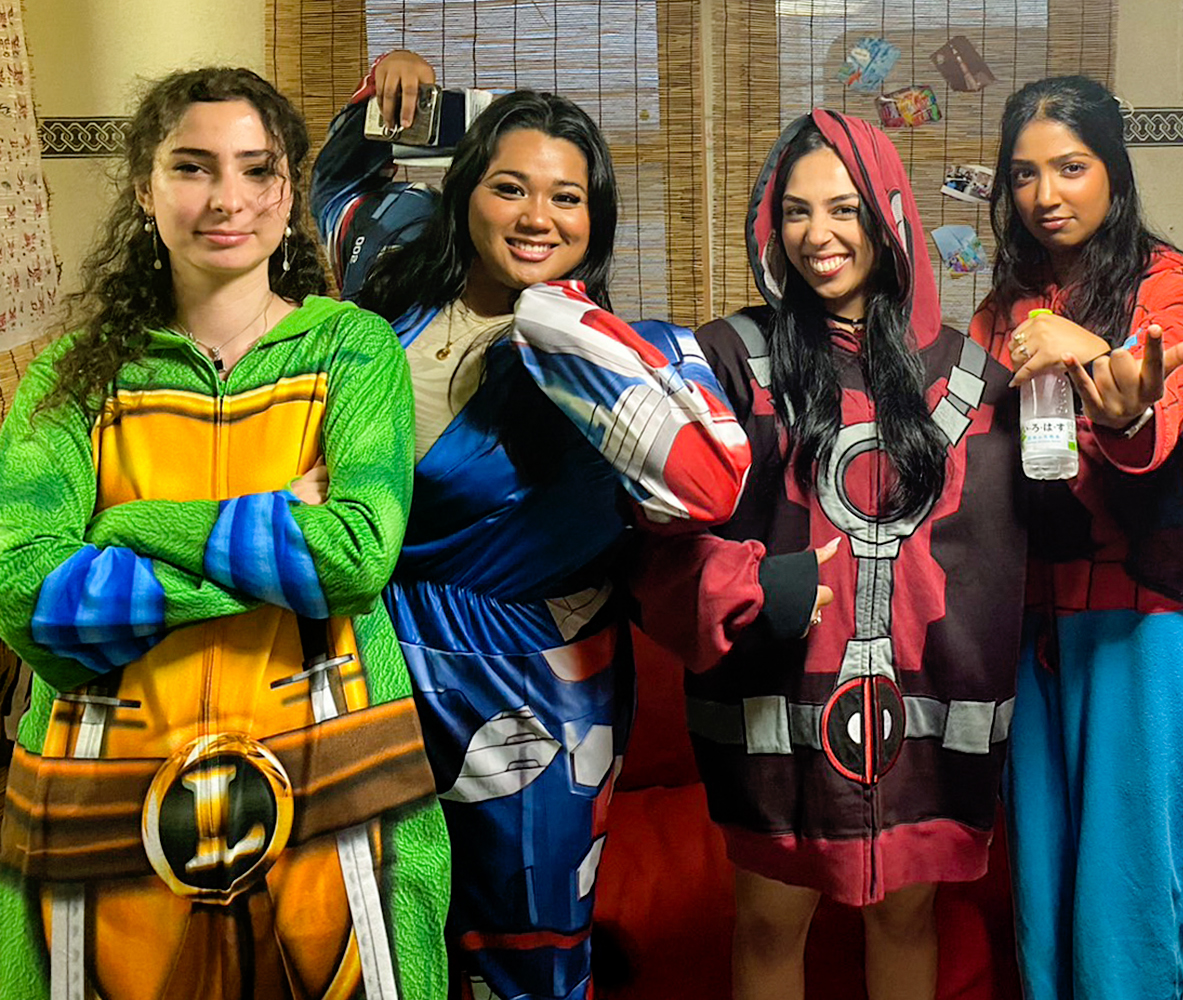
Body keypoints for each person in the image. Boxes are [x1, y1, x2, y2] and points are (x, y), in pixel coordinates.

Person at [312, 50, 751, 1000]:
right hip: (375, 655)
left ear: (596, 221)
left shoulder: (633, 357)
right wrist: (390, 90)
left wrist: (569, 331)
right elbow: (339, 185)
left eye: (567, 197)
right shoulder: (391, 284)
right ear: (465, 195)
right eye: (510, 188)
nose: (536, 218)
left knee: (528, 942)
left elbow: (710, 484)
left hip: (537, 683)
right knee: (384, 928)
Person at [0, 68, 447, 999]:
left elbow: (357, 556)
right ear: (144, 188)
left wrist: (130, 524)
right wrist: (273, 540)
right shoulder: (67, 381)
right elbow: (27, 594)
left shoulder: (352, 351)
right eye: (193, 168)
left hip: (332, 786)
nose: (227, 199)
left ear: (288, 193)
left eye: (256, 170)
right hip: (107, 800)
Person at [633, 110, 1027, 1000]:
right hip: (776, 703)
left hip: (926, 708)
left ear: (887, 217)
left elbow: (1020, 533)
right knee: (771, 922)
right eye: (797, 212)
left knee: (905, 917)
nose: (820, 236)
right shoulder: (731, 359)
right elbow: (658, 527)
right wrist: (747, 586)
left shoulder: (970, 377)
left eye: (845, 210)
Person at [968, 75, 1183, 1000]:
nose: (1046, 195)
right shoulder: (1005, 307)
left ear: (1115, 174)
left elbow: (1154, 425)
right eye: (1024, 175)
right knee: (1039, 903)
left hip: (1151, 624)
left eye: (1072, 168)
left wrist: (1112, 390)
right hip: (1036, 629)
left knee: (1127, 914)